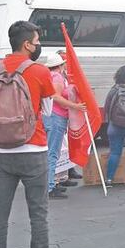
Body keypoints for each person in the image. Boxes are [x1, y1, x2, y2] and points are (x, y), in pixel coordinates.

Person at [0, 21, 56, 248]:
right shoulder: (39, 71)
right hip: (34, 148)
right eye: (36, 41)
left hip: (2, 151)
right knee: (38, 213)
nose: (38, 45)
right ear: (27, 44)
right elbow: (47, 112)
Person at [41, 53, 85, 199]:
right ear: (60, 66)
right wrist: (75, 105)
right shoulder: (58, 77)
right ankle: (49, 187)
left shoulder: (50, 76)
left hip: (51, 116)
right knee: (53, 153)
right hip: (57, 117)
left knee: (52, 152)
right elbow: (56, 97)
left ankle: (52, 183)